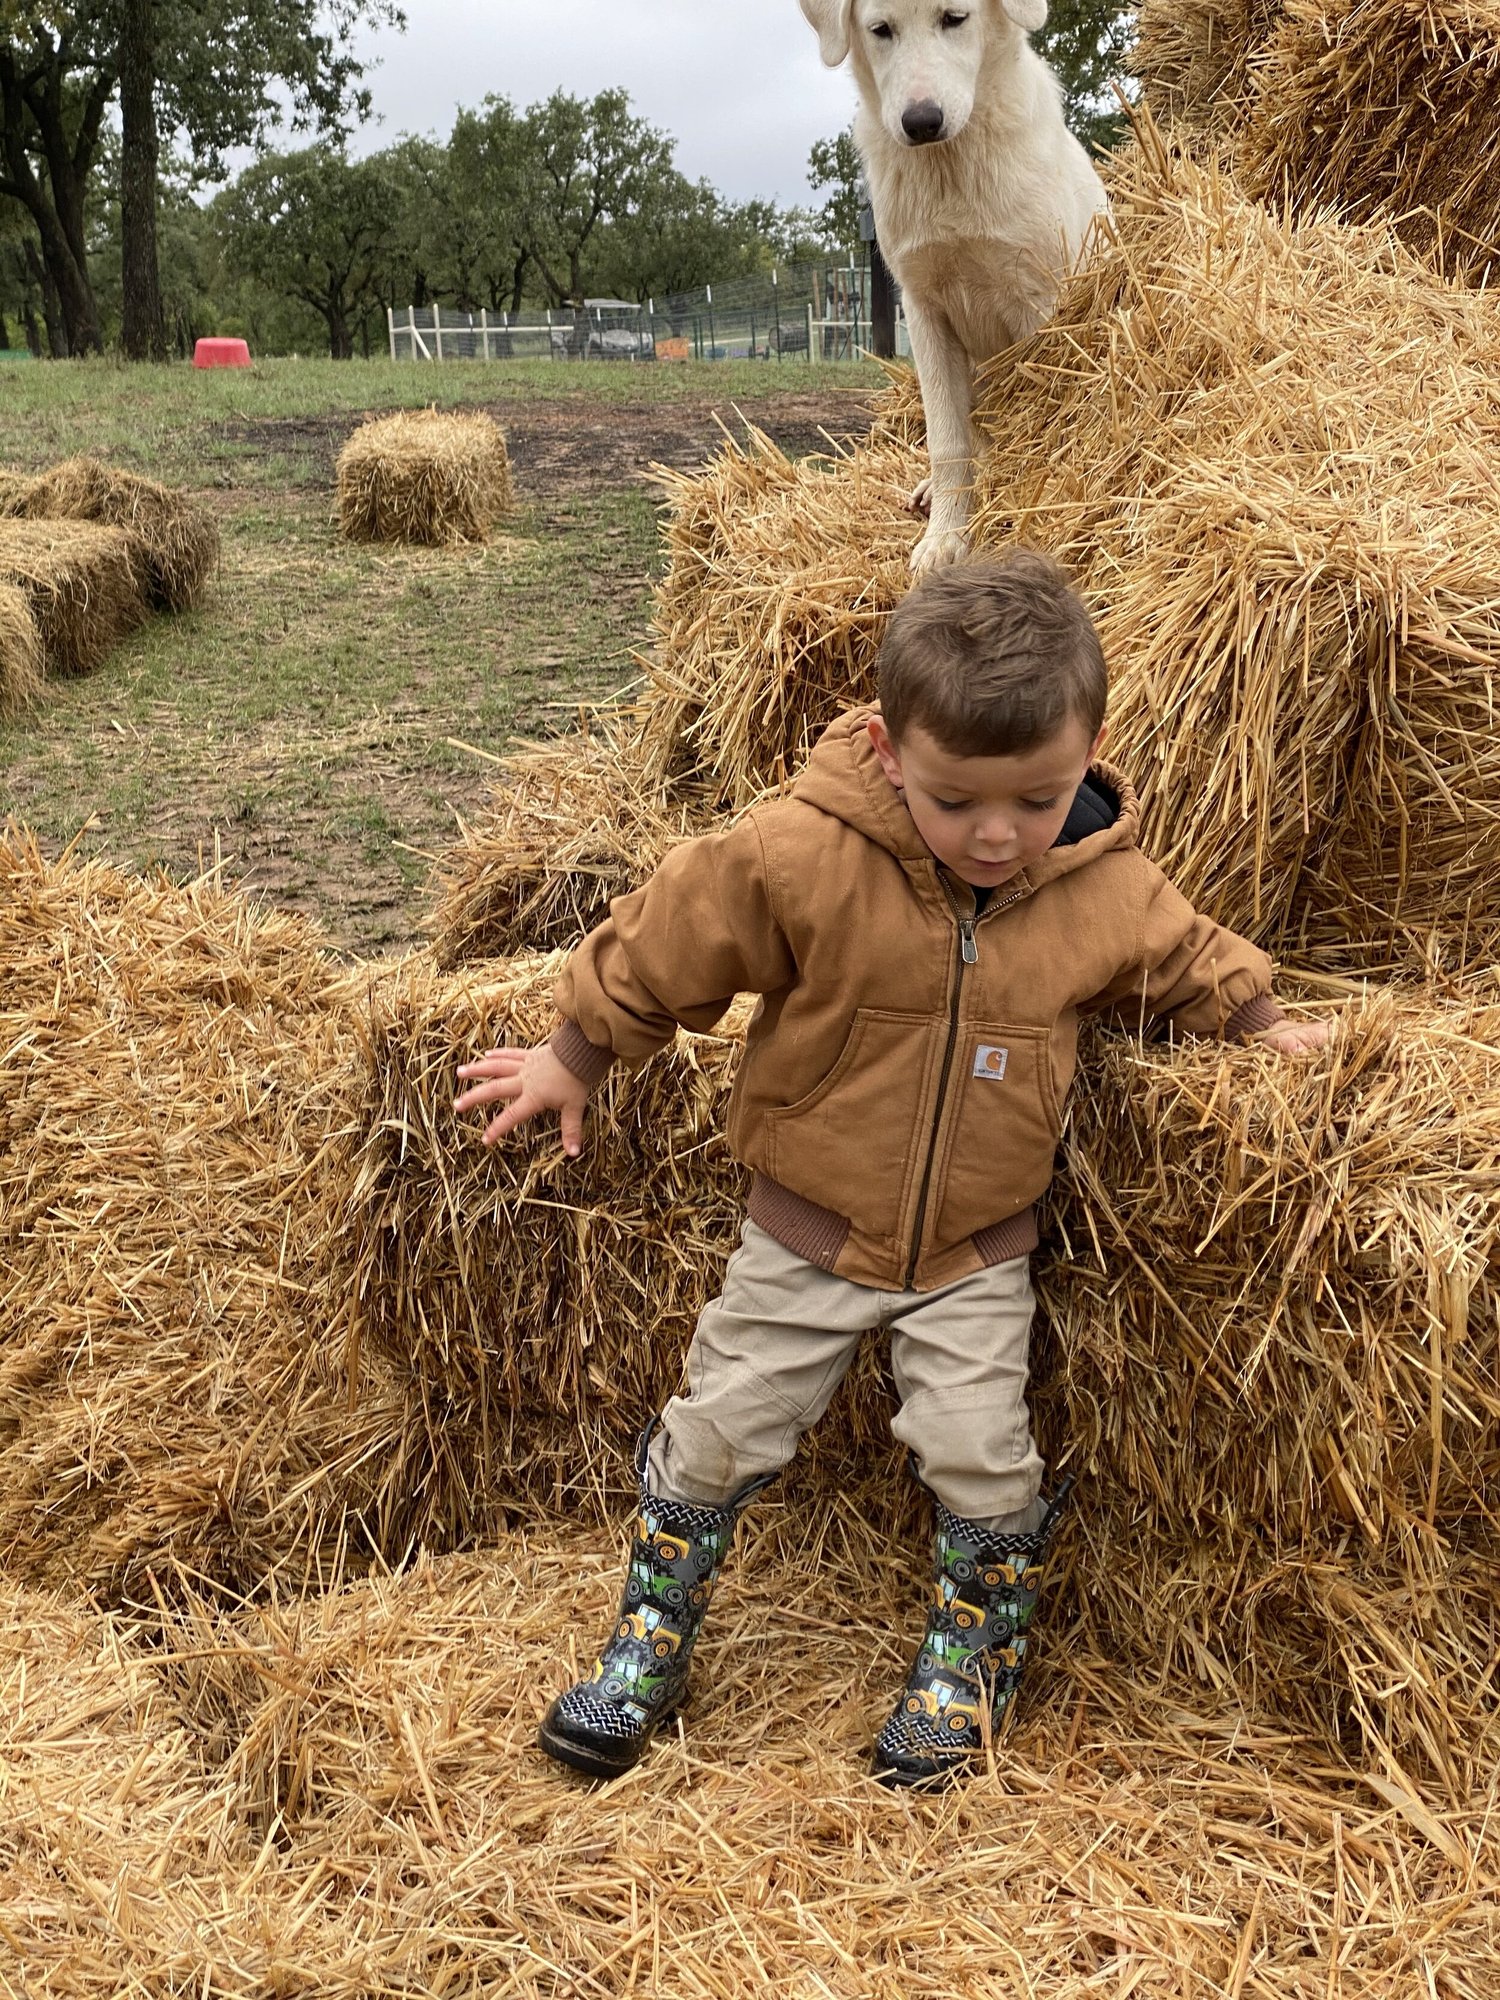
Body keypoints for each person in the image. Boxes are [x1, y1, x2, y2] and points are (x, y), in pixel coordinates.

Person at [455, 553, 1330, 1789]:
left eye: (1038, 798)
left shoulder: (1100, 887)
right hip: (805, 1230)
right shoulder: (801, 851)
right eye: (956, 797)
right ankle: (650, 1631)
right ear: (886, 745)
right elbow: (673, 935)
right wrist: (577, 1052)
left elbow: (1184, 953)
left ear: (1088, 753)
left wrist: (1258, 1023)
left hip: (976, 1251)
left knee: (982, 1451)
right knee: (719, 1431)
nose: (996, 831)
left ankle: (970, 1654)